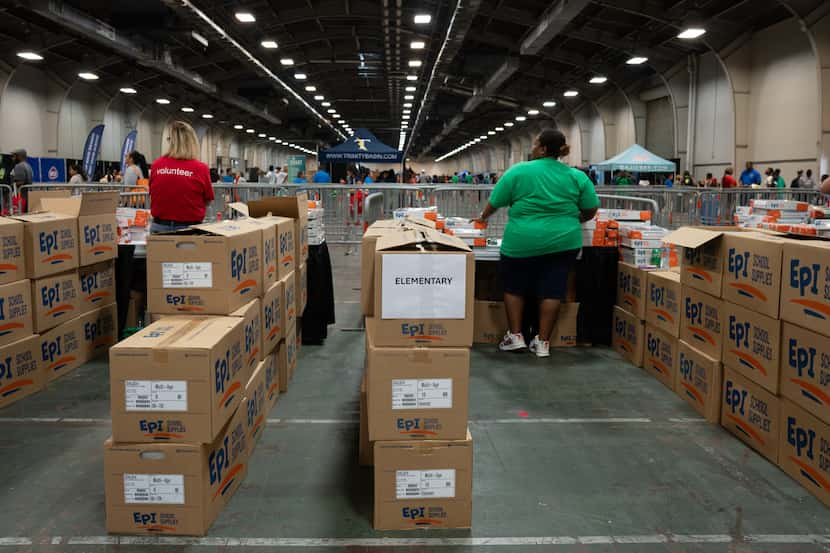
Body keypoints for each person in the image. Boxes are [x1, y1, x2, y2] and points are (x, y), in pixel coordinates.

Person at [473, 129, 599, 358]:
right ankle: (542, 343)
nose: (532, 148)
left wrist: (482, 218)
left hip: (522, 242)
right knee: (552, 290)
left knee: (514, 287)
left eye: (534, 144)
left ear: (542, 149)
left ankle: (515, 336)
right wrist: (572, 220)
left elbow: (495, 201)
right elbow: (591, 208)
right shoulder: (577, 176)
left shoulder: (519, 171)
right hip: (564, 241)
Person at [148, 121, 214, 234]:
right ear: (192, 142)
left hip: (159, 227)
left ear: (170, 141)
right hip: (189, 230)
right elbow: (207, 200)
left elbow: (153, 194)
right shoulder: (201, 168)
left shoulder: (156, 165)